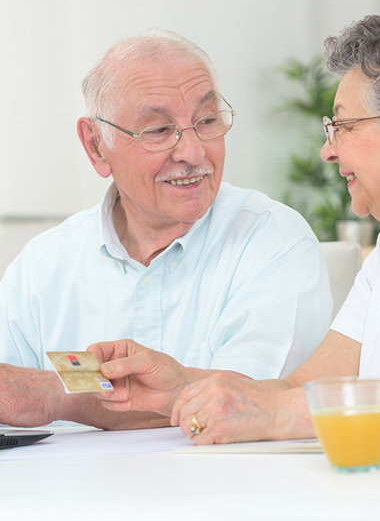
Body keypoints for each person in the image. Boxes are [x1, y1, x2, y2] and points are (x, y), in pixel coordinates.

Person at [89, 15, 380, 443]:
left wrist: (280, 415)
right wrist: (180, 387)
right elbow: (300, 388)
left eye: (342, 126)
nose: (327, 151)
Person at [0, 30, 333, 429]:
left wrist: (61, 393)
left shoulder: (273, 239)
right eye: (158, 130)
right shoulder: (41, 266)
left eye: (206, 121)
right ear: (96, 145)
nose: (193, 152)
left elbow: (244, 403)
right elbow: (12, 395)